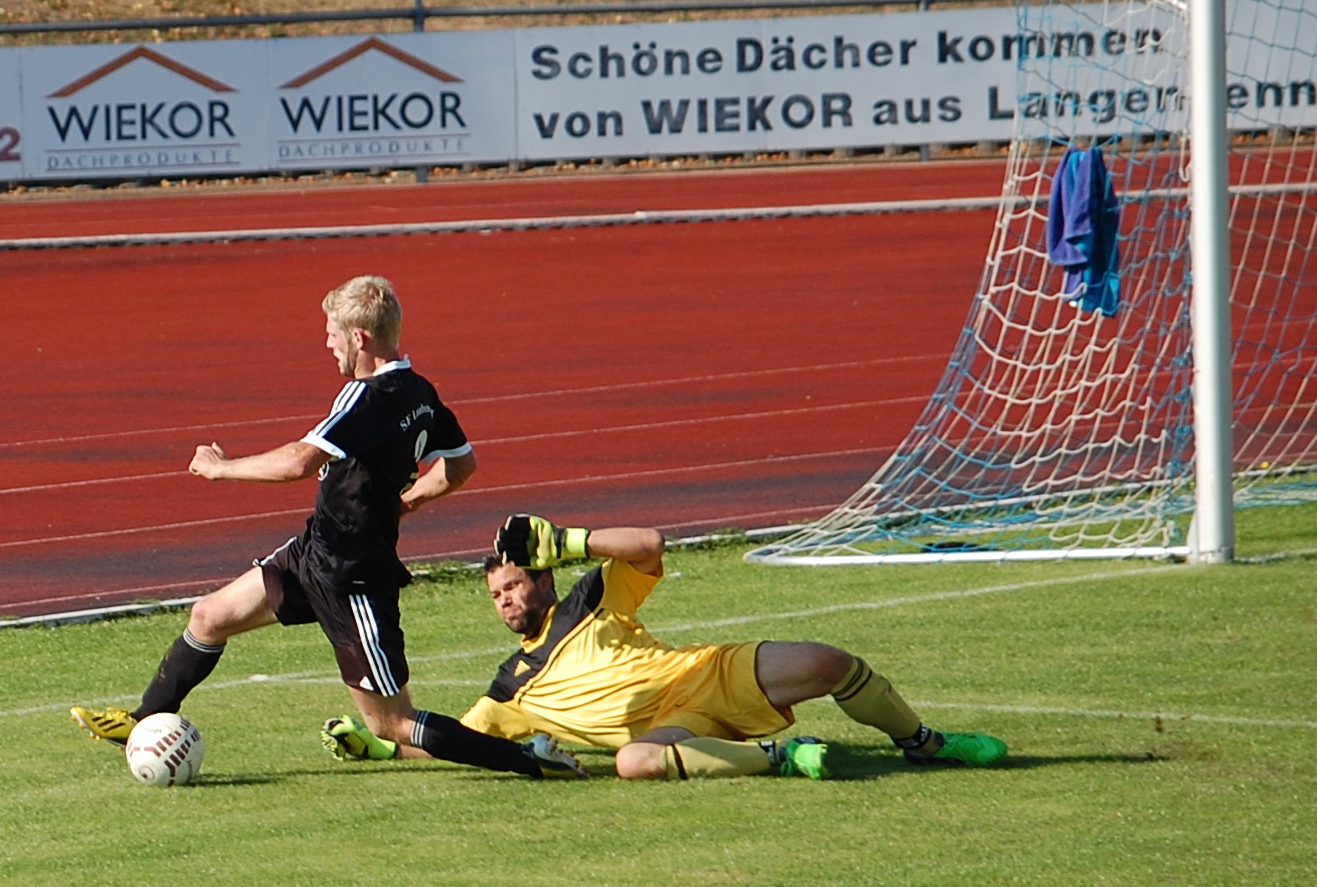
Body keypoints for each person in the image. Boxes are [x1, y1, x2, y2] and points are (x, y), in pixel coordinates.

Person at [71, 277, 585, 779]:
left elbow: (300, 461)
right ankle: (143, 718)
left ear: (359, 338)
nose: (327, 343)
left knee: (392, 723)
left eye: (332, 333)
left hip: (354, 580)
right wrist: (402, 504)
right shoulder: (419, 392)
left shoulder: (367, 396)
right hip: (315, 552)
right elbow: (461, 465)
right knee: (209, 616)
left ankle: (531, 757)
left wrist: (221, 468)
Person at [325, 514, 1007, 780]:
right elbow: (452, 739)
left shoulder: (590, 597)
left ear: (542, 577)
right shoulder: (511, 687)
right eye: (495, 594)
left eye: (513, 584)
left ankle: (924, 742)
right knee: (633, 761)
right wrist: (381, 744)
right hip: (670, 729)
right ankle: (782, 756)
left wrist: (567, 540)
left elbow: (650, 544)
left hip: (705, 675)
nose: (504, 600)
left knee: (830, 662)